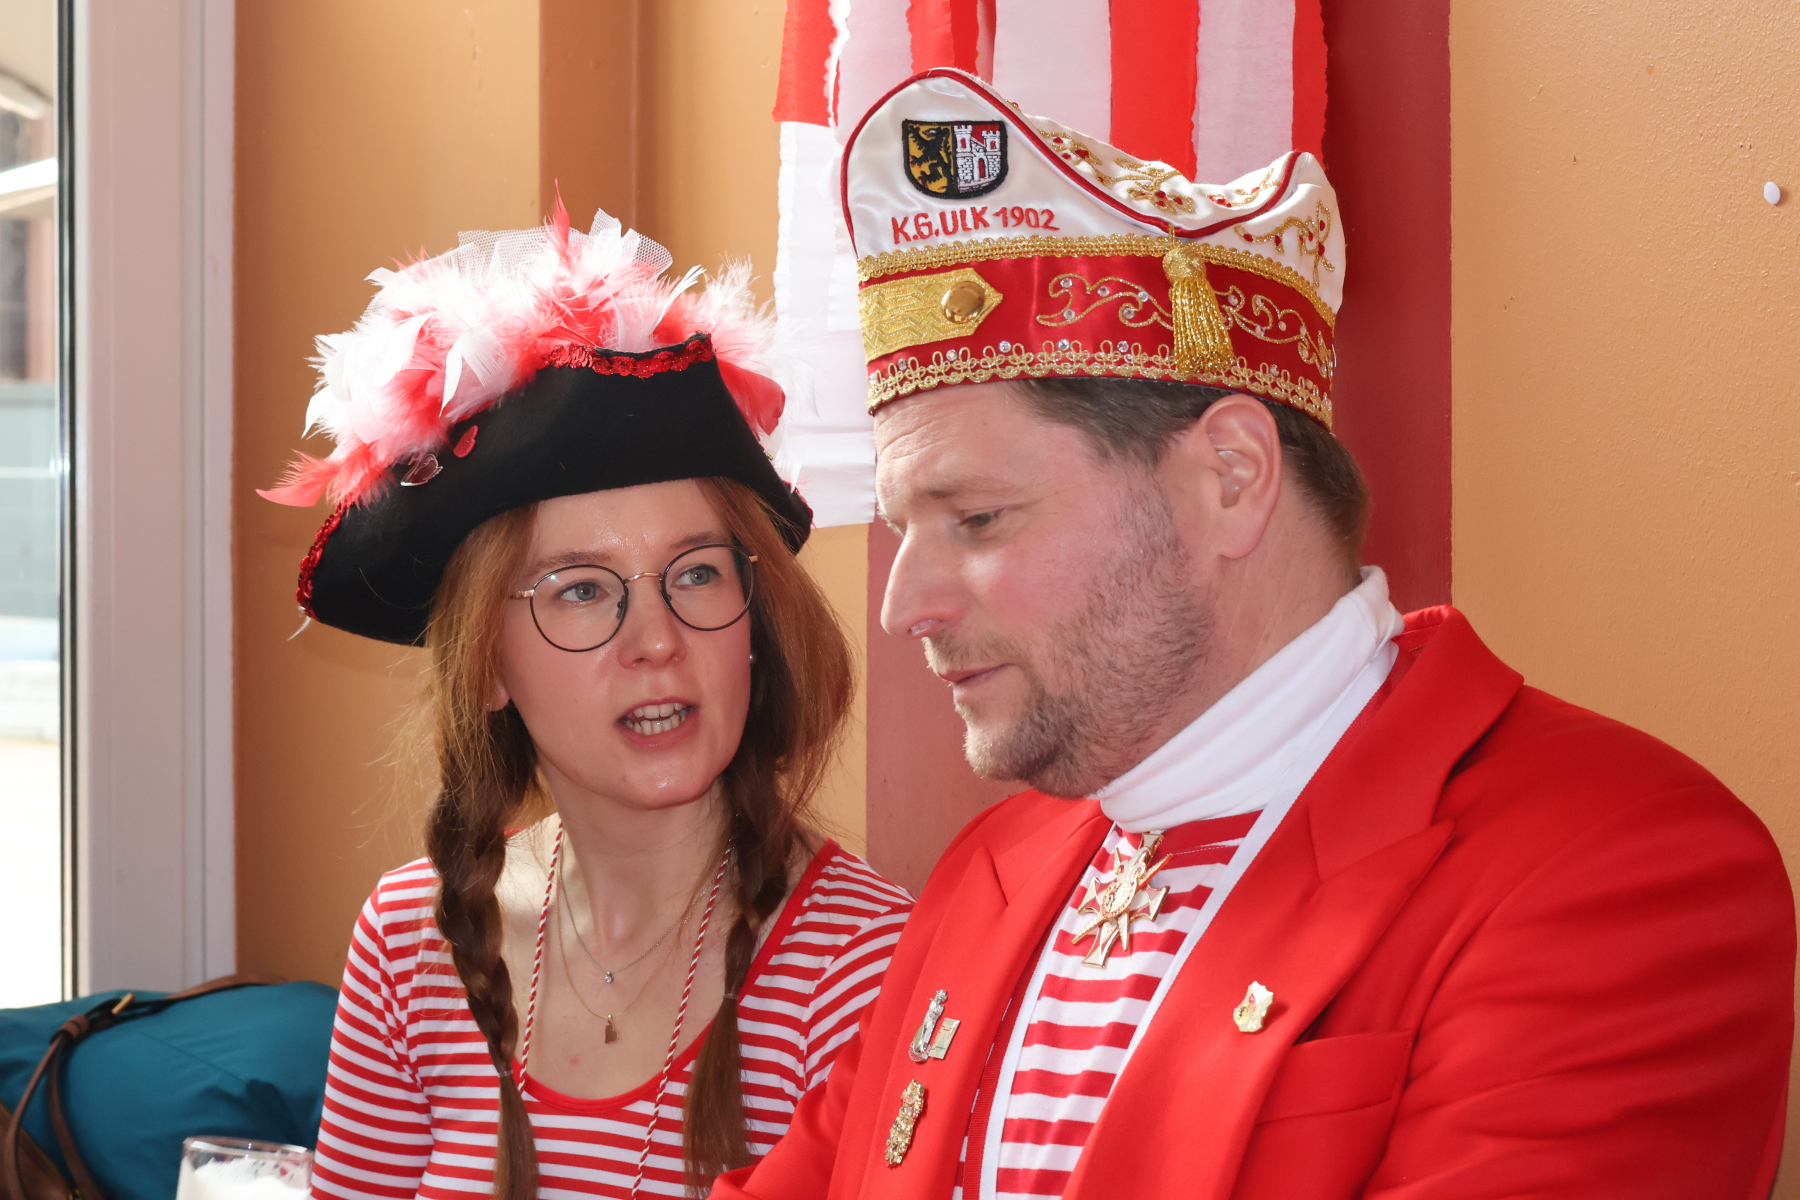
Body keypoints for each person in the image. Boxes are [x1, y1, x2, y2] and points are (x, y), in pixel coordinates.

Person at [711, 69, 1795, 1199]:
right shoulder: (991, 871)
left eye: (977, 519)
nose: (904, 606)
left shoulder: (1612, 870)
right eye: (904, 530)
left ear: (1230, 478)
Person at [259, 206, 911, 1200]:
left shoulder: (862, 967)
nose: (658, 641)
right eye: (580, 591)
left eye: (697, 574)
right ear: (485, 666)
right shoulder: (412, 943)